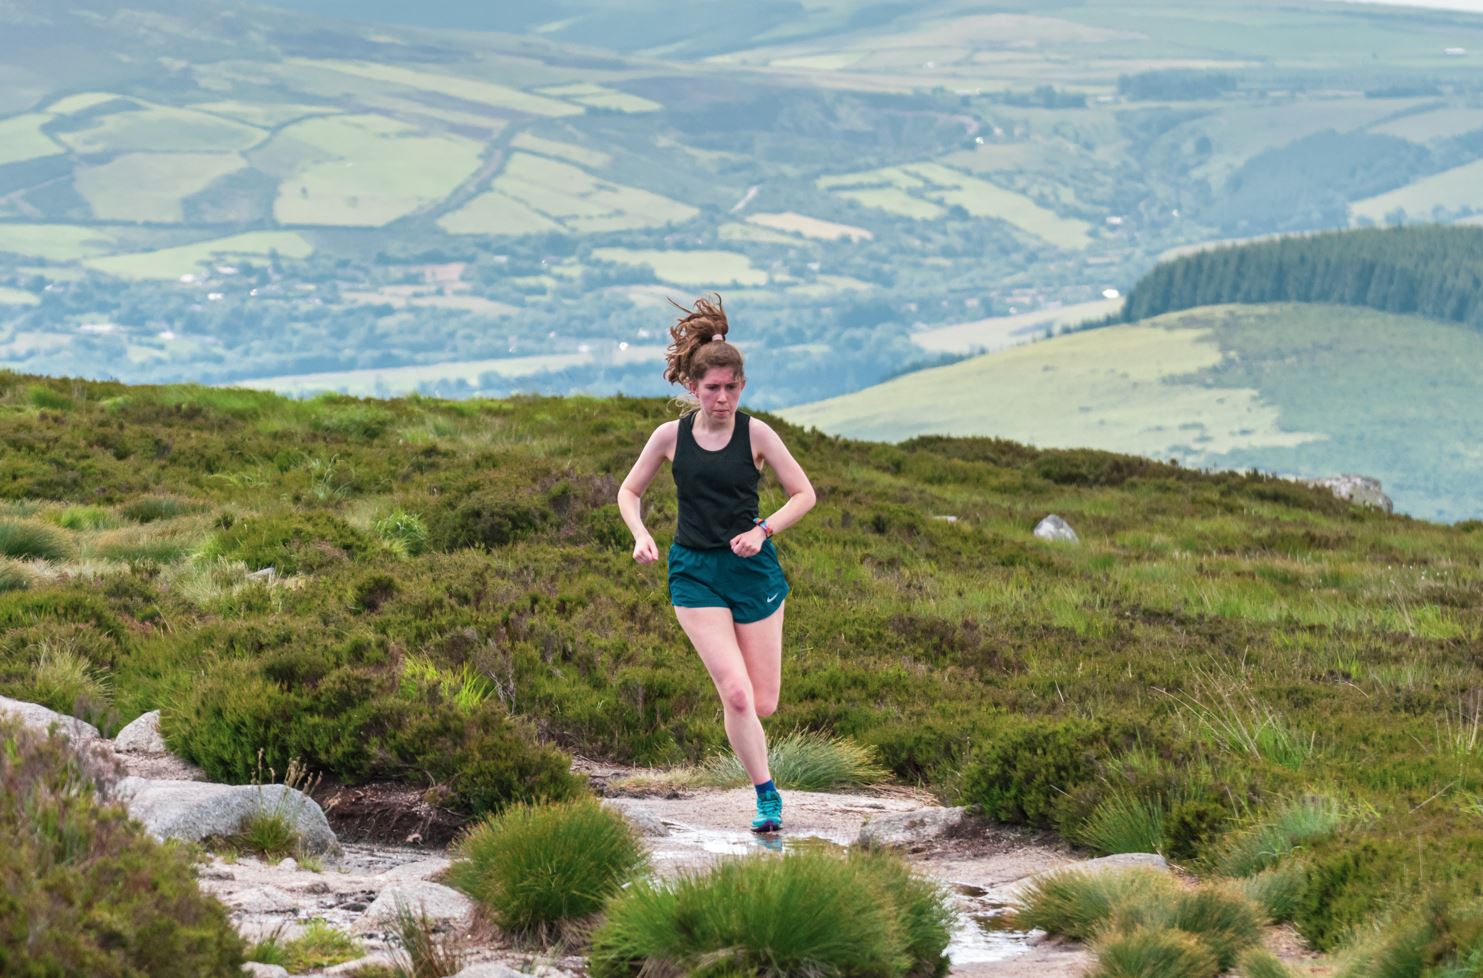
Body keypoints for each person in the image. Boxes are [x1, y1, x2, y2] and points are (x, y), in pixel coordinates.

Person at [617, 295, 816, 833]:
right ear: (692, 388)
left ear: (742, 386)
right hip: (693, 573)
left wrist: (762, 530)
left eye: (731, 388)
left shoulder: (757, 434)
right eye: (712, 389)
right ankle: (766, 796)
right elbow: (628, 491)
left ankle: (760, 774)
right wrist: (641, 535)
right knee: (734, 692)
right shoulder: (669, 438)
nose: (723, 398)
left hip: (753, 572)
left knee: (763, 703)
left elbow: (804, 494)